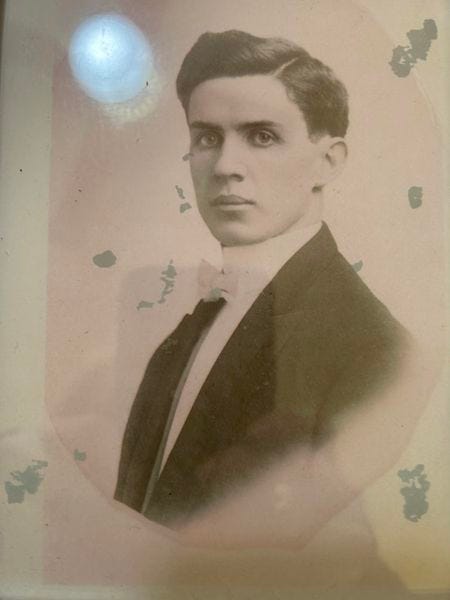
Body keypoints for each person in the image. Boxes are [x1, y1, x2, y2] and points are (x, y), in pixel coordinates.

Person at [114, 30, 412, 532]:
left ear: (328, 161)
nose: (225, 167)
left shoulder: (378, 353)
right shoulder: (186, 332)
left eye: (262, 137)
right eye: (207, 138)